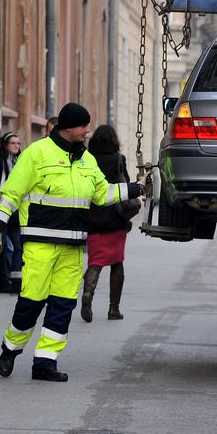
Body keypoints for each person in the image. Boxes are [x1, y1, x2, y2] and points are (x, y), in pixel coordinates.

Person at [0, 103, 144, 382]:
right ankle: (10, 350)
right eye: (83, 126)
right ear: (68, 127)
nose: (87, 131)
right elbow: (11, 193)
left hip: (73, 248)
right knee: (31, 302)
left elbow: (101, 193)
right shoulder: (37, 153)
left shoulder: (87, 160)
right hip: (41, 245)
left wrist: (135, 188)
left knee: (63, 305)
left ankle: (45, 363)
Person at [82, 125, 138, 322]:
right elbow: (125, 185)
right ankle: (113, 309)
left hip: (93, 217)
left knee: (95, 261)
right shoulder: (118, 159)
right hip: (115, 217)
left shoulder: (87, 159)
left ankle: (88, 295)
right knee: (117, 262)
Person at [0, 132, 23, 293]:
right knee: (1, 247)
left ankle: (16, 280)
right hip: (2, 209)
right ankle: (3, 282)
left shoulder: (20, 161)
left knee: (18, 246)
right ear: (5, 145)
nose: (16, 146)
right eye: (13, 143)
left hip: (16, 211)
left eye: (18, 143)